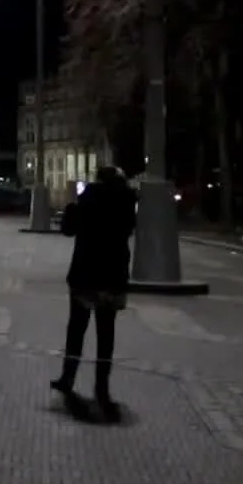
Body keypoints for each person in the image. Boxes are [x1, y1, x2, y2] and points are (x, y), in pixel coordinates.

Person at [52, 165, 136, 411]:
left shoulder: (87, 198)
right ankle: (102, 388)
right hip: (112, 275)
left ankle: (68, 378)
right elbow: (129, 229)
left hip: (85, 274)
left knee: (76, 328)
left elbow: (68, 229)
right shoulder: (126, 201)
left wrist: (72, 207)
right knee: (106, 334)